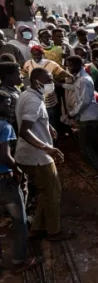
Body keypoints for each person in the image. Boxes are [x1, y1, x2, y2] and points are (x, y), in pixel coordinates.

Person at [15, 67, 74, 241]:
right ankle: (54, 231)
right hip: (37, 157)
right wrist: (46, 148)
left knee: (46, 192)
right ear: (37, 82)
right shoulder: (33, 101)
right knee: (53, 192)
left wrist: (47, 126)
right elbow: (24, 131)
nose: (51, 83)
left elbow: (33, 120)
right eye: (48, 80)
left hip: (29, 155)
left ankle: (37, 229)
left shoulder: (28, 95)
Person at [0, 90, 42, 273]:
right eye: (6, 102)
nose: (9, 105)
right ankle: (19, 261)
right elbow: (4, 156)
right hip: (4, 181)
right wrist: (17, 169)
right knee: (20, 221)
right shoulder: (4, 126)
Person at [64, 55, 98, 178]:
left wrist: (72, 114)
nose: (68, 68)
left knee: (85, 146)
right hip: (87, 116)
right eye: (67, 65)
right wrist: (62, 85)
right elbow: (76, 88)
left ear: (78, 65)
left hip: (87, 117)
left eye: (70, 65)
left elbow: (85, 101)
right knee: (91, 143)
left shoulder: (84, 80)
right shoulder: (80, 78)